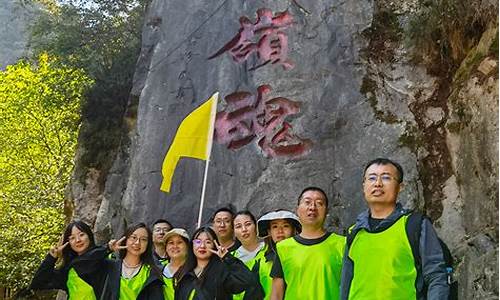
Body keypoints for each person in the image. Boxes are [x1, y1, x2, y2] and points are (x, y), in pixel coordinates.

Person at [340, 158, 449, 299]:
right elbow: (346, 286)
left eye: (386, 178)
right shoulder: (354, 232)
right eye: (372, 178)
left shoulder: (413, 225)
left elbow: (436, 276)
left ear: (400, 187)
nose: (378, 184)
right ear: (364, 186)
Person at [270, 187, 345, 300]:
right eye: (307, 202)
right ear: (298, 209)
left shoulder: (342, 244)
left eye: (319, 203)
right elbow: (276, 294)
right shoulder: (283, 248)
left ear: (327, 211)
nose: (312, 207)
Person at [30, 220, 110, 299]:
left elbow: (90, 259)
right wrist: (51, 258)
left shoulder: (103, 257)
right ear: (68, 243)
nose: (78, 240)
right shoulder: (68, 270)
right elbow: (37, 283)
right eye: (72, 238)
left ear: (89, 236)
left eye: (81, 235)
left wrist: (108, 249)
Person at [175, 226, 258, 300]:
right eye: (198, 242)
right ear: (192, 245)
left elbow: (247, 281)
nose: (202, 246)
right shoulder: (184, 273)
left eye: (208, 242)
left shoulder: (222, 271)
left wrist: (227, 257)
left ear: (214, 246)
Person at [102, 222, 164, 299]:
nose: (137, 242)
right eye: (133, 237)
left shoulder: (153, 271)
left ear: (148, 244)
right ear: (126, 239)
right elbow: (85, 262)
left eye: (143, 239)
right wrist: (107, 249)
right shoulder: (110, 266)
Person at [255, 210, 301, 300]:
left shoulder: (303, 254)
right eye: (275, 226)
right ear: (269, 231)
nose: (280, 231)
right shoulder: (260, 259)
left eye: (285, 226)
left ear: (294, 230)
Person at [232, 211, 265, 300]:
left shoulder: (270, 250)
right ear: (234, 232)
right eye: (238, 226)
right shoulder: (231, 258)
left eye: (248, 224)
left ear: (255, 226)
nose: (244, 229)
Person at [162, 228, 190, 300]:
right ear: (166, 248)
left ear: (187, 246)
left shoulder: (194, 270)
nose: (175, 246)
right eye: (171, 243)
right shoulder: (158, 271)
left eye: (179, 242)